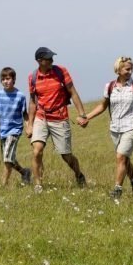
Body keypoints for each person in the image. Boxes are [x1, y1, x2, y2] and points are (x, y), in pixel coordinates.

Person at [85, 56, 133, 199]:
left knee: (121, 157)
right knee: (125, 159)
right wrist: (87, 117)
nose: (130, 71)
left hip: (132, 126)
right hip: (115, 128)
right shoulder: (109, 87)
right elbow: (103, 106)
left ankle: (117, 190)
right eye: (127, 69)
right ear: (118, 69)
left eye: (131, 69)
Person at [25, 47, 88, 193]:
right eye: (48, 58)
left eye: (52, 57)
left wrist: (82, 114)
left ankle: (79, 175)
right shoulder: (33, 77)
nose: (52, 60)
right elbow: (33, 102)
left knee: (66, 155)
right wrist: (30, 124)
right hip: (42, 117)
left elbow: (73, 92)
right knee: (37, 150)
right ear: (39, 61)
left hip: (59, 118)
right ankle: (38, 185)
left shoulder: (61, 71)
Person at [0, 67, 32, 186]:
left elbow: (25, 114)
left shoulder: (20, 96)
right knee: (8, 158)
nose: (5, 81)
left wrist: (28, 128)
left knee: (7, 160)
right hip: (2, 131)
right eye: (3, 79)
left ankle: (3, 185)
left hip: (15, 131)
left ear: (14, 80)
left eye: (8, 78)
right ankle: (24, 172)